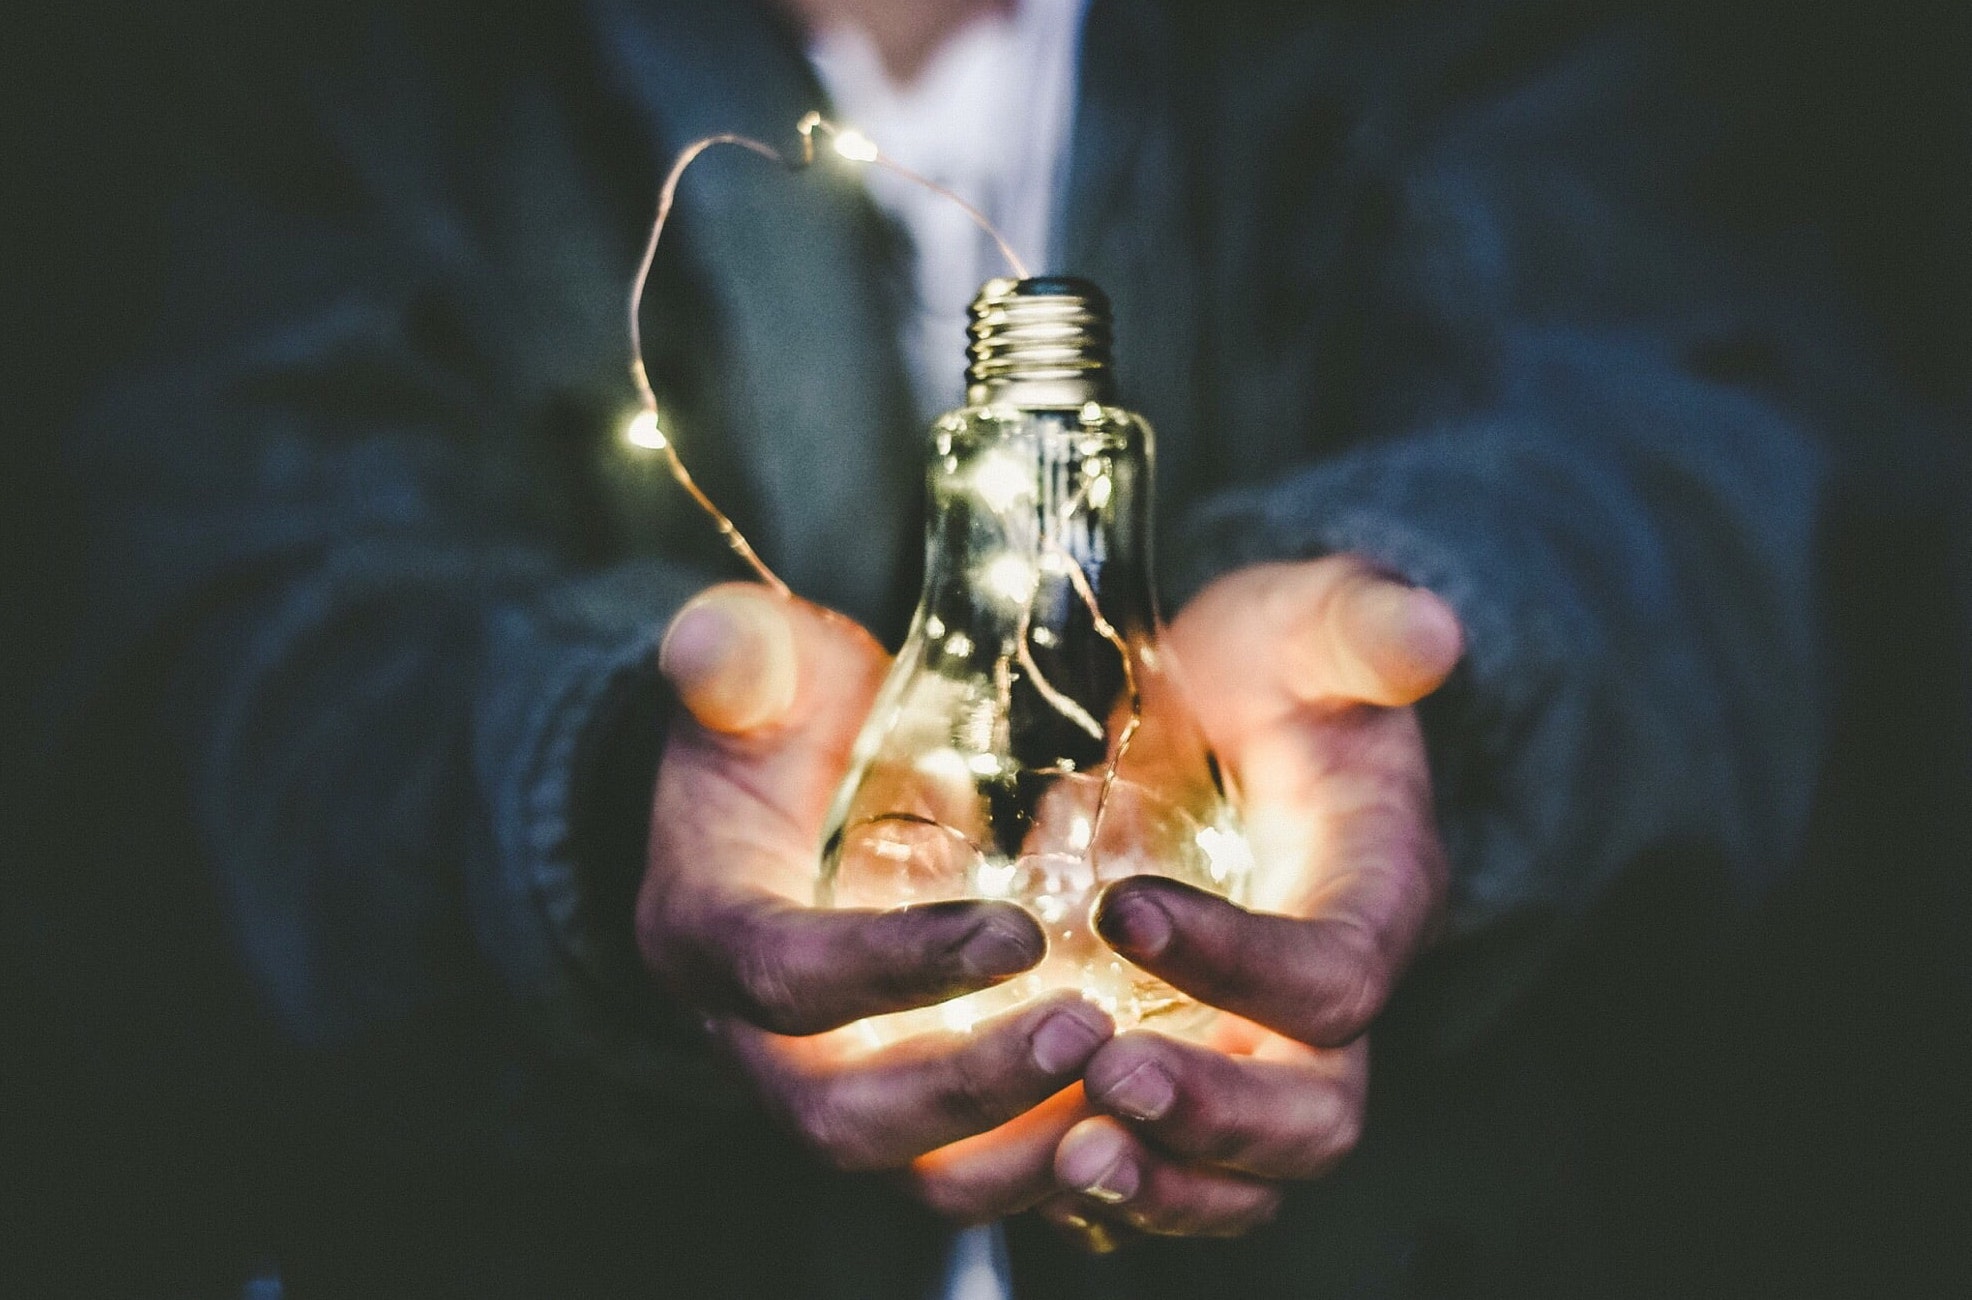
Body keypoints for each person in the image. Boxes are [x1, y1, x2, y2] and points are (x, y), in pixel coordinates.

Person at [32, 0, 1861, 1294]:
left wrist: (1440, 685)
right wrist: (594, 807)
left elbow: (1705, 446)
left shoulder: (1450, 45)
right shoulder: (342, 60)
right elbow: (182, 618)